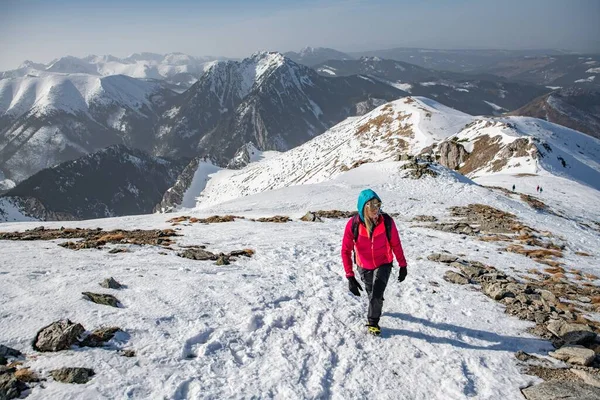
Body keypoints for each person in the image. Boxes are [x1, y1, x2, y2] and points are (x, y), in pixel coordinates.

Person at [341, 189, 408, 335]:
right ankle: (377, 303)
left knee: (376, 293)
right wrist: (350, 276)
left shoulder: (387, 222)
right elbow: (346, 250)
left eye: (378, 205)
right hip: (363, 265)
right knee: (372, 293)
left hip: (384, 262)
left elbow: (396, 244)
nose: (376, 210)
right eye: (373, 206)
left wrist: (403, 265)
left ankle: (373, 322)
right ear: (364, 208)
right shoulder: (353, 225)